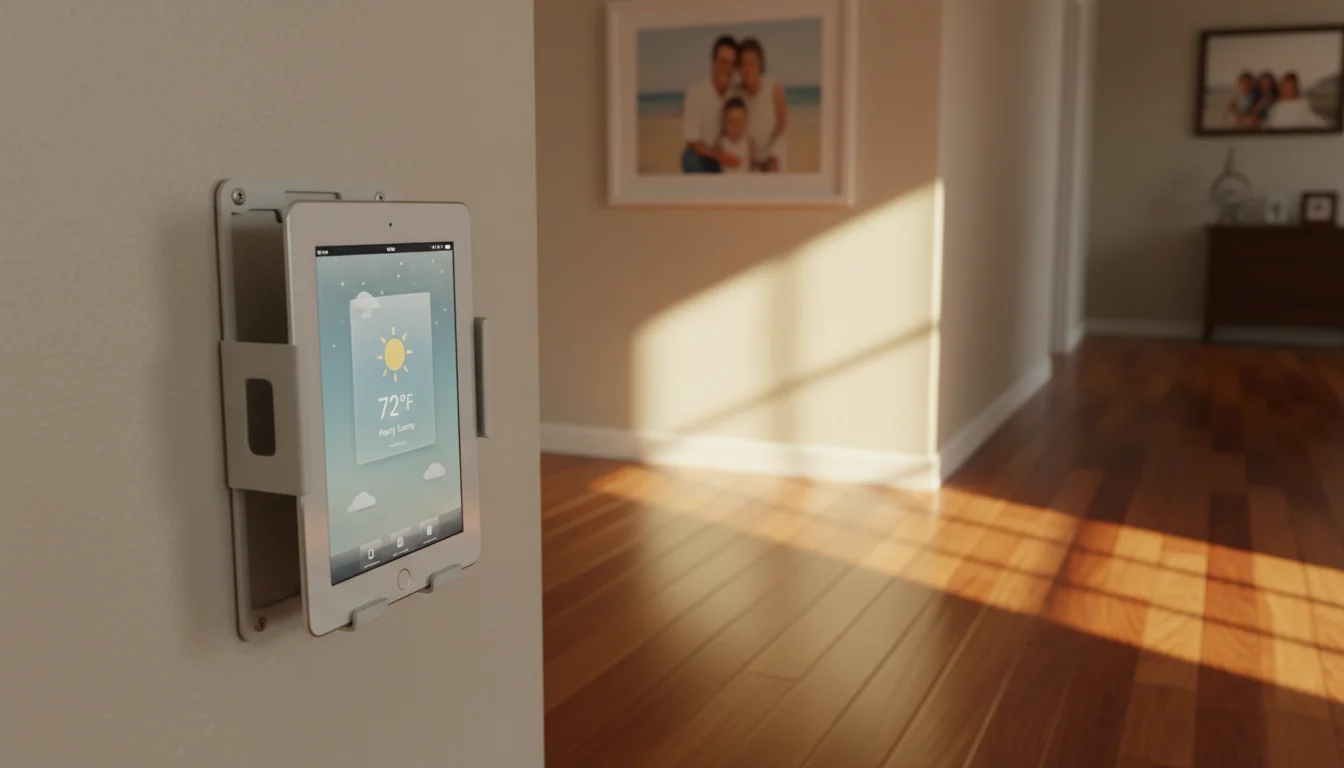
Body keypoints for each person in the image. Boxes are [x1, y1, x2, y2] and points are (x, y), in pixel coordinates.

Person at [682, 35, 743, 173]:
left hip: (727, 152)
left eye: (731, 64)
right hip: (703, 155)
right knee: (690, 159)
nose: (726, 68)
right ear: (713, 62)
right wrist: (721, 157)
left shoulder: (736, 93)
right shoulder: (696, 92)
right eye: (723, 62)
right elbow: (692, 142)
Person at [737, 38, 789, 172]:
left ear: (760, 64)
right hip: (747, 156)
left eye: (752, 63)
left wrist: (773, 154)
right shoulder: (736, 94)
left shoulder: (773, 88)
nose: (748, 68)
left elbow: (783, 124)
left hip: (772, 153)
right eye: (743, 64)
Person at [716, 98, 754, 174]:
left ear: (745, 122)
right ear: (724, 123)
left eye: (739, 121)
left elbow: (752, 167)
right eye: (731, 121)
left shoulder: (749, 143)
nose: (735, 126)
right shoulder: (721, 143)